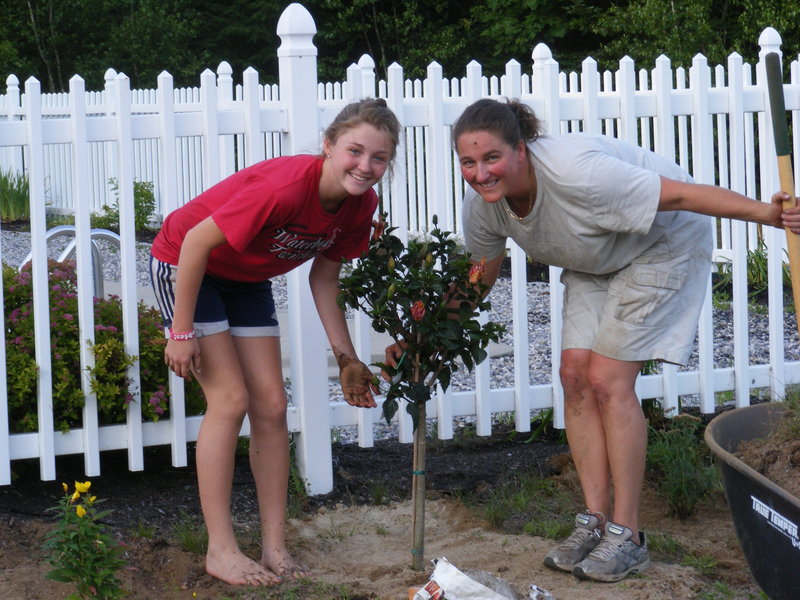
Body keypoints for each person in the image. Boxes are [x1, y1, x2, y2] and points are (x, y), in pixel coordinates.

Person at [388, 97, 800, 583]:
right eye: (468, 162)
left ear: (521, 150)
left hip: (660, 246)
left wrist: (766, 214)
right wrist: (424, 338)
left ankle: (628, 536)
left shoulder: (577, 174)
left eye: (491, 158)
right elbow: (480, 277)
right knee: (573, 376)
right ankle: (595, 522)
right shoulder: (484, 208)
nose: (480, 173)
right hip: (595, 259)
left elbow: (684, 197)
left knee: (608, 379)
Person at [149, 98, 400, 586]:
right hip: (187, 266)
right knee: (231, 398)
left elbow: (324, 281)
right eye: (354, 151)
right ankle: (220, 550)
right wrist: (180, 332)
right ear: (327, 146)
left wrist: (345, 357)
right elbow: (197, 242)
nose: (365, 166)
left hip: (245, 278)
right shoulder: (285, 188)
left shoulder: (360, 205)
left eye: (379, 158)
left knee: (272, 405)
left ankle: (274, 548)